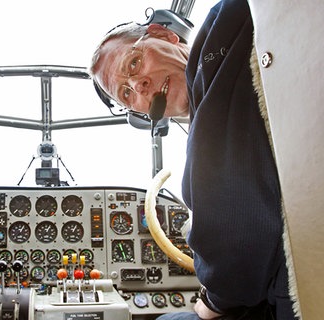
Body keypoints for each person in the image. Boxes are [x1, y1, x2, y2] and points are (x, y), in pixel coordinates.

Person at [90, 0, 296, 319]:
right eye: (127, 95)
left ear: (165, 35)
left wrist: (212, 302)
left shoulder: (221, 40)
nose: (139, 87)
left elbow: (238, 233)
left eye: (133, 64)